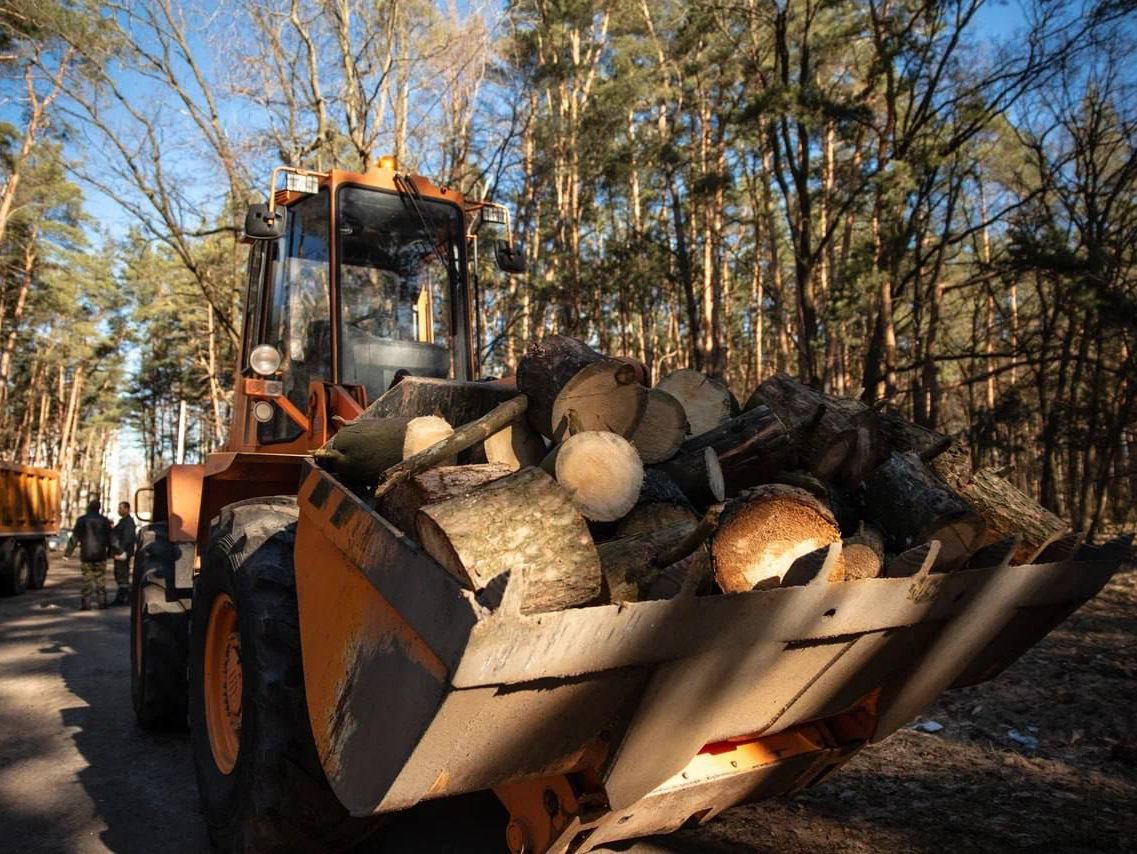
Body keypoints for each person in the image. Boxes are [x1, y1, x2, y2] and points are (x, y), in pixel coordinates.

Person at [64, 499, 115, 610]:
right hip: (101, 555)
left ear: (89, 507)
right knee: (100, 579)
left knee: (87, 580)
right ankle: (102, 603)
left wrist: (67, 553)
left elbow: (74, 538)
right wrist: (113, 552)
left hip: (86, 555)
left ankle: (86, 605)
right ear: (99, 508)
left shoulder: (81, 520)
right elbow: (111, 538)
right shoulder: (104, 521)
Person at [111, 501, 136, 606]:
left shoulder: (128, 522)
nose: (119, 510)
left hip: (123, 553)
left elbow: (128, 538)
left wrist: (122, 551)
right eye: (118, 508)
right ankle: (126, 597)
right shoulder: (123, 521)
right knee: (119, 574)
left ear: (127, 509)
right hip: (120, 552)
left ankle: (123, 598)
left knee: (122, 575)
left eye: (121, 508)